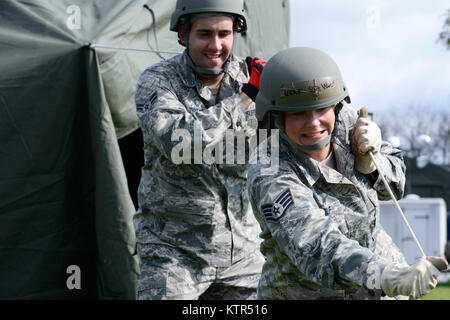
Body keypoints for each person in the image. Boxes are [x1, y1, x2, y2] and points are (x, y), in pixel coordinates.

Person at [247, 46, 448, 300]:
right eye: (298, 113)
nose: (314, 123)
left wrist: (373, 164)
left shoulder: (348, 125)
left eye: (321, 109)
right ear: (276, 117)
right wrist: (388, 276)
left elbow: (395, 187)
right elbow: (315, 246)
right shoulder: (270, 169)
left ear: (335, 107)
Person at [133, 0, 266, 300]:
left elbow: (286, 141)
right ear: (183, 33)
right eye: (205, 33)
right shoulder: (157, 82)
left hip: (242, 255)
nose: (216, 45)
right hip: (174, 254)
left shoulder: (253, 76)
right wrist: (246, 98)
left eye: (225, 34)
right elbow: (182, 143)